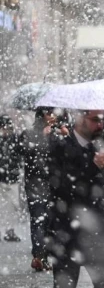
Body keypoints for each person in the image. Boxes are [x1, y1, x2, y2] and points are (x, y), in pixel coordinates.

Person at [10, 110, 104, 288]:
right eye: (95, 119)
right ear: (80, 119)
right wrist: (93, 166)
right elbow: (64, 188)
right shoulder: (59, 146)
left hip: (97, 234)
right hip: (67, 233)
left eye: (102, 119)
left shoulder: (102, 145)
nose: (100, 125)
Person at [17, 107, 61, 271]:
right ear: (44, 115)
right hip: (41, 184)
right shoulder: (29, 133)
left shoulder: (56, 133)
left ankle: (42, 255)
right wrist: (44, 139)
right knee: (41, 221)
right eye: (52, 113)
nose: (55, 117)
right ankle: (40, 256)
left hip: (44, 185)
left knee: (44, 221)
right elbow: (23, 151)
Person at [0, 115, 22, 242]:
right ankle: (9, 231)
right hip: (8, 176)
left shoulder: (14, 139)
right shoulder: (14, 139)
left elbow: (18, 156)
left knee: (13, 205)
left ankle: (10, 230)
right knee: (10, 205)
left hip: (11, 177)